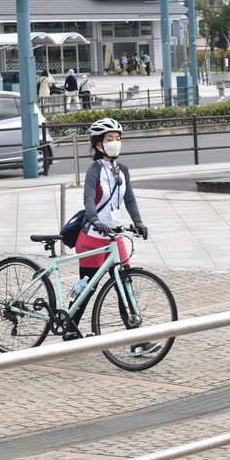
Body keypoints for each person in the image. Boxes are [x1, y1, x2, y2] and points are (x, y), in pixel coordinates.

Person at [70, 118, 157, 356]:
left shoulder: (123, 170)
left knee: (124, 285)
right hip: (92, 236)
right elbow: (88, 198)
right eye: (110, 139)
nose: (115, 143)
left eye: (118, 139)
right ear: (98, 145)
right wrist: (94, 219)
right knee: (87, 286)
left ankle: (137, 339)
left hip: (114, 236)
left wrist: (138, 221)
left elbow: (129, 199)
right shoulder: (94, 170)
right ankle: (69, 327)